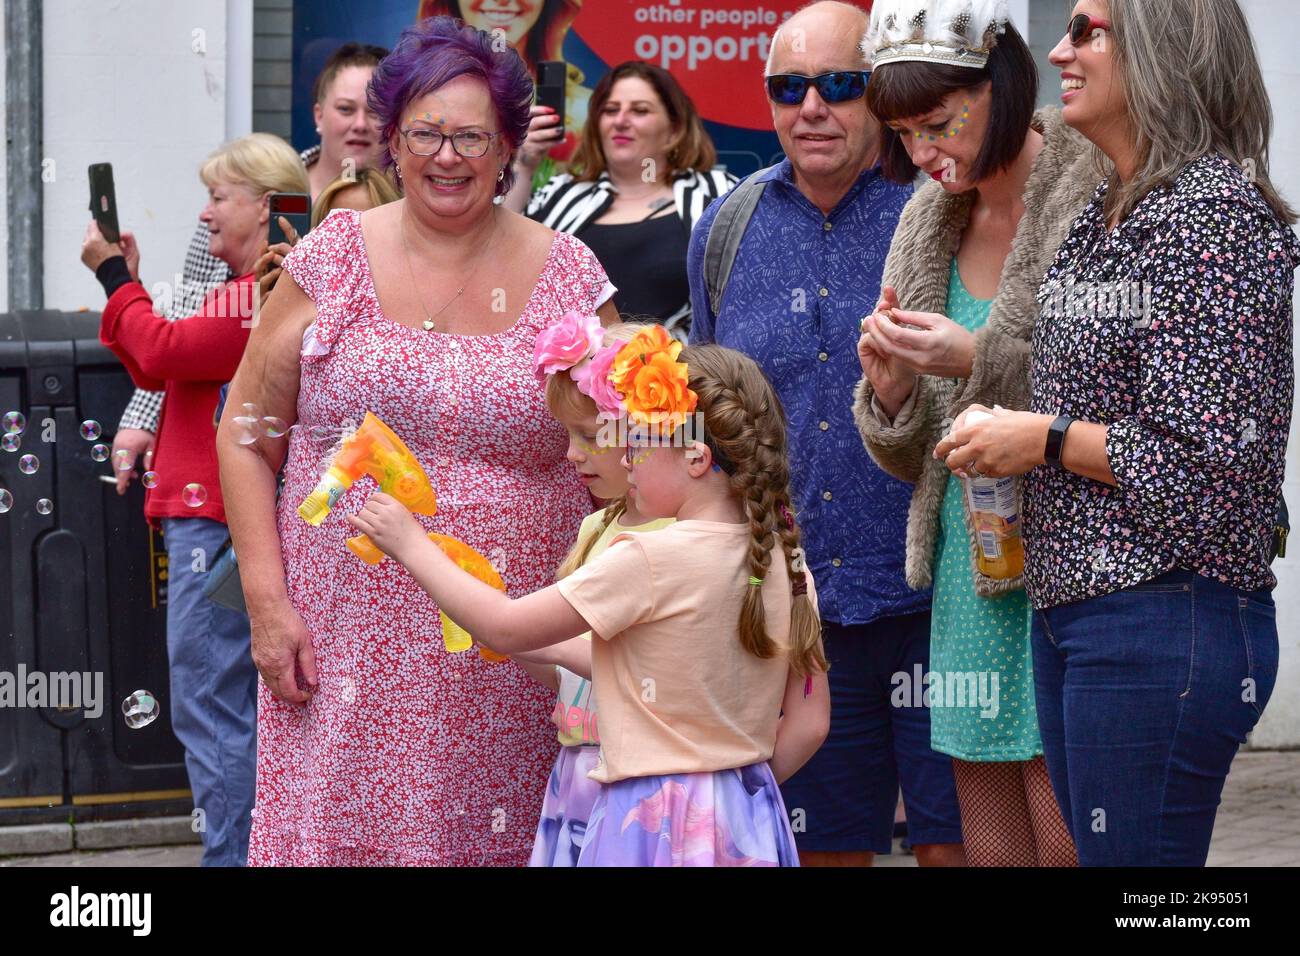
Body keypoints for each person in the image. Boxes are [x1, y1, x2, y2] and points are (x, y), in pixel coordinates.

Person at [216, 16, 618, 867]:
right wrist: (265, 601)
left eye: (471, 135)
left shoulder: (570, 276)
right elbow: (247, 435)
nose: (448, 156)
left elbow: (628, 452)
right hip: (340, 641)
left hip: (515, 646)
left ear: (509, 144)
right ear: (391, 143)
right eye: (426, 134)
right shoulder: (328, 260)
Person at [934, 0, 1297, 866]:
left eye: (1088, 29)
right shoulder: (1111, 209)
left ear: (1164, 47)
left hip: (1164, 613)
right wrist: (1003, 420)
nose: (1059, 48)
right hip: (1086, 613)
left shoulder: (1209, 216)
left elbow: (1210, 468)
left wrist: (1044, 439)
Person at [347, 333, 831, 866]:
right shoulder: (784, 559)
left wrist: (410, 543)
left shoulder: (645, 558)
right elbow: (809, 722)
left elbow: (506, 626)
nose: (625, 459)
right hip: (747, 815)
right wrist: (721, 793)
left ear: (695, 458)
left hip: (646, 821)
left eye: (639, 443)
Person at [688, 0, 963, 866]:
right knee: (815, 850)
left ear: (879, 95)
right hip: (797, 613)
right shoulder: (727, 228)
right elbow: (709, 406)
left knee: (959, 845)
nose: (813, 106)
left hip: (941, 600)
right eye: (789, 86)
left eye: (840, 84)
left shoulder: (942, 212)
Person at [852, 0, 1088, 866]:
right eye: (906, 135)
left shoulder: (1090, 182)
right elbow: (911, 453)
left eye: (940, 124)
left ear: (1004, 82)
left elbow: (1104, 376)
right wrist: (891, 395)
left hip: (1072, 561)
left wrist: (975, 357)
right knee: (987, 839)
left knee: (1067, 837)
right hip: (971, 559)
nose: (924, 154)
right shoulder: (926, 215)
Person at [80, 133, 311, 866]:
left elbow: (159, 350)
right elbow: (166, 363)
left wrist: (116, 276)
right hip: (211, 522)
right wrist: (131, 289)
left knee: (211, 707)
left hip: (212, 523)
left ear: (266, 207)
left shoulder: (257, 298)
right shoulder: (251, 294)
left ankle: (232, 860)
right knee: (226, 706)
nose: (205, 214)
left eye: (219, 197)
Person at [111, 42, 389, 490]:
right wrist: (141, 417)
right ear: (319, 115)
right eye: (345, 108)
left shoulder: (414, 214)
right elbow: (186, 326)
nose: (359, 124)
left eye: (373, 110)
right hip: (260, 445)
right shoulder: (259, 189)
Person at [519, 315, 673, 866]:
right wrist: (510, 641)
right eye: (567, 437)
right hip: (577, 772)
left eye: (588, 436)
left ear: (644, 431)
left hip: (646, 781)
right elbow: (568, 671)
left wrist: (512, 625)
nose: (571, 455)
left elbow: (638, 665)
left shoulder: (677, 539)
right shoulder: (595, 529)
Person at [505, 61, 735, 339]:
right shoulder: (561, 195)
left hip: (683, 374)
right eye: (610, 110)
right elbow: (498, 248)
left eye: (640, 110)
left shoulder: (718, 194)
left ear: (674, 129)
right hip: (571, 379)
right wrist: (524, 165)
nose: (620, 120)